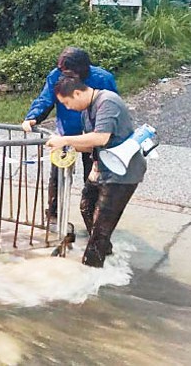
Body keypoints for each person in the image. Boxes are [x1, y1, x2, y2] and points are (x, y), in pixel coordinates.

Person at [45, 76, 146, 267]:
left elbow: (100, 138)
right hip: (102, 169)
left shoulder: (107, 101)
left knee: (100, 230)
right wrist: (65, 147)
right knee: (86, 206)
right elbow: (89, 144)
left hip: (122, 174)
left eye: (66, 102)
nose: (67, 107)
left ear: (77, 93)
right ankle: (105, 251)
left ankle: (92, 273)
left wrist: (65, 140)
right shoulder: (86, 111)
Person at [21, 47, 118, 225]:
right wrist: (33, 117)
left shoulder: (103, 79)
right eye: (62, 71)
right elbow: (45, 98)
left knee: (93, 179)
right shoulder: (56, 76)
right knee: (58, 176)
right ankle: (53, 212)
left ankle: (94, 218)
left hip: (93, 138)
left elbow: (113, 108)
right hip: (66, 133)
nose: (65, 75)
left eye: (69, 72)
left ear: (82, 70)